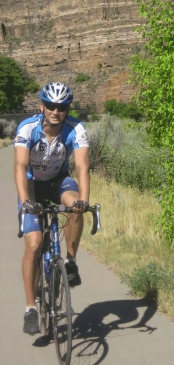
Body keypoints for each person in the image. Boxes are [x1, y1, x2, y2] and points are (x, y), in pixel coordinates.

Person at [14, 82, 90, 334]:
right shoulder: (28, 128)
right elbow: (20, 165)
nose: (56, 111)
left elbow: (82, 166)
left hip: (59, 181)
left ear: (67, 109)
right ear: (42, 106)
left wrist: (85, 200)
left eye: (62, 107)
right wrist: (26, 201)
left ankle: (69, 261)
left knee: (76, 205)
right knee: (34, 244)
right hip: (32, 185)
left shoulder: (75, 128)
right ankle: (30, 309)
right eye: (51, 106)